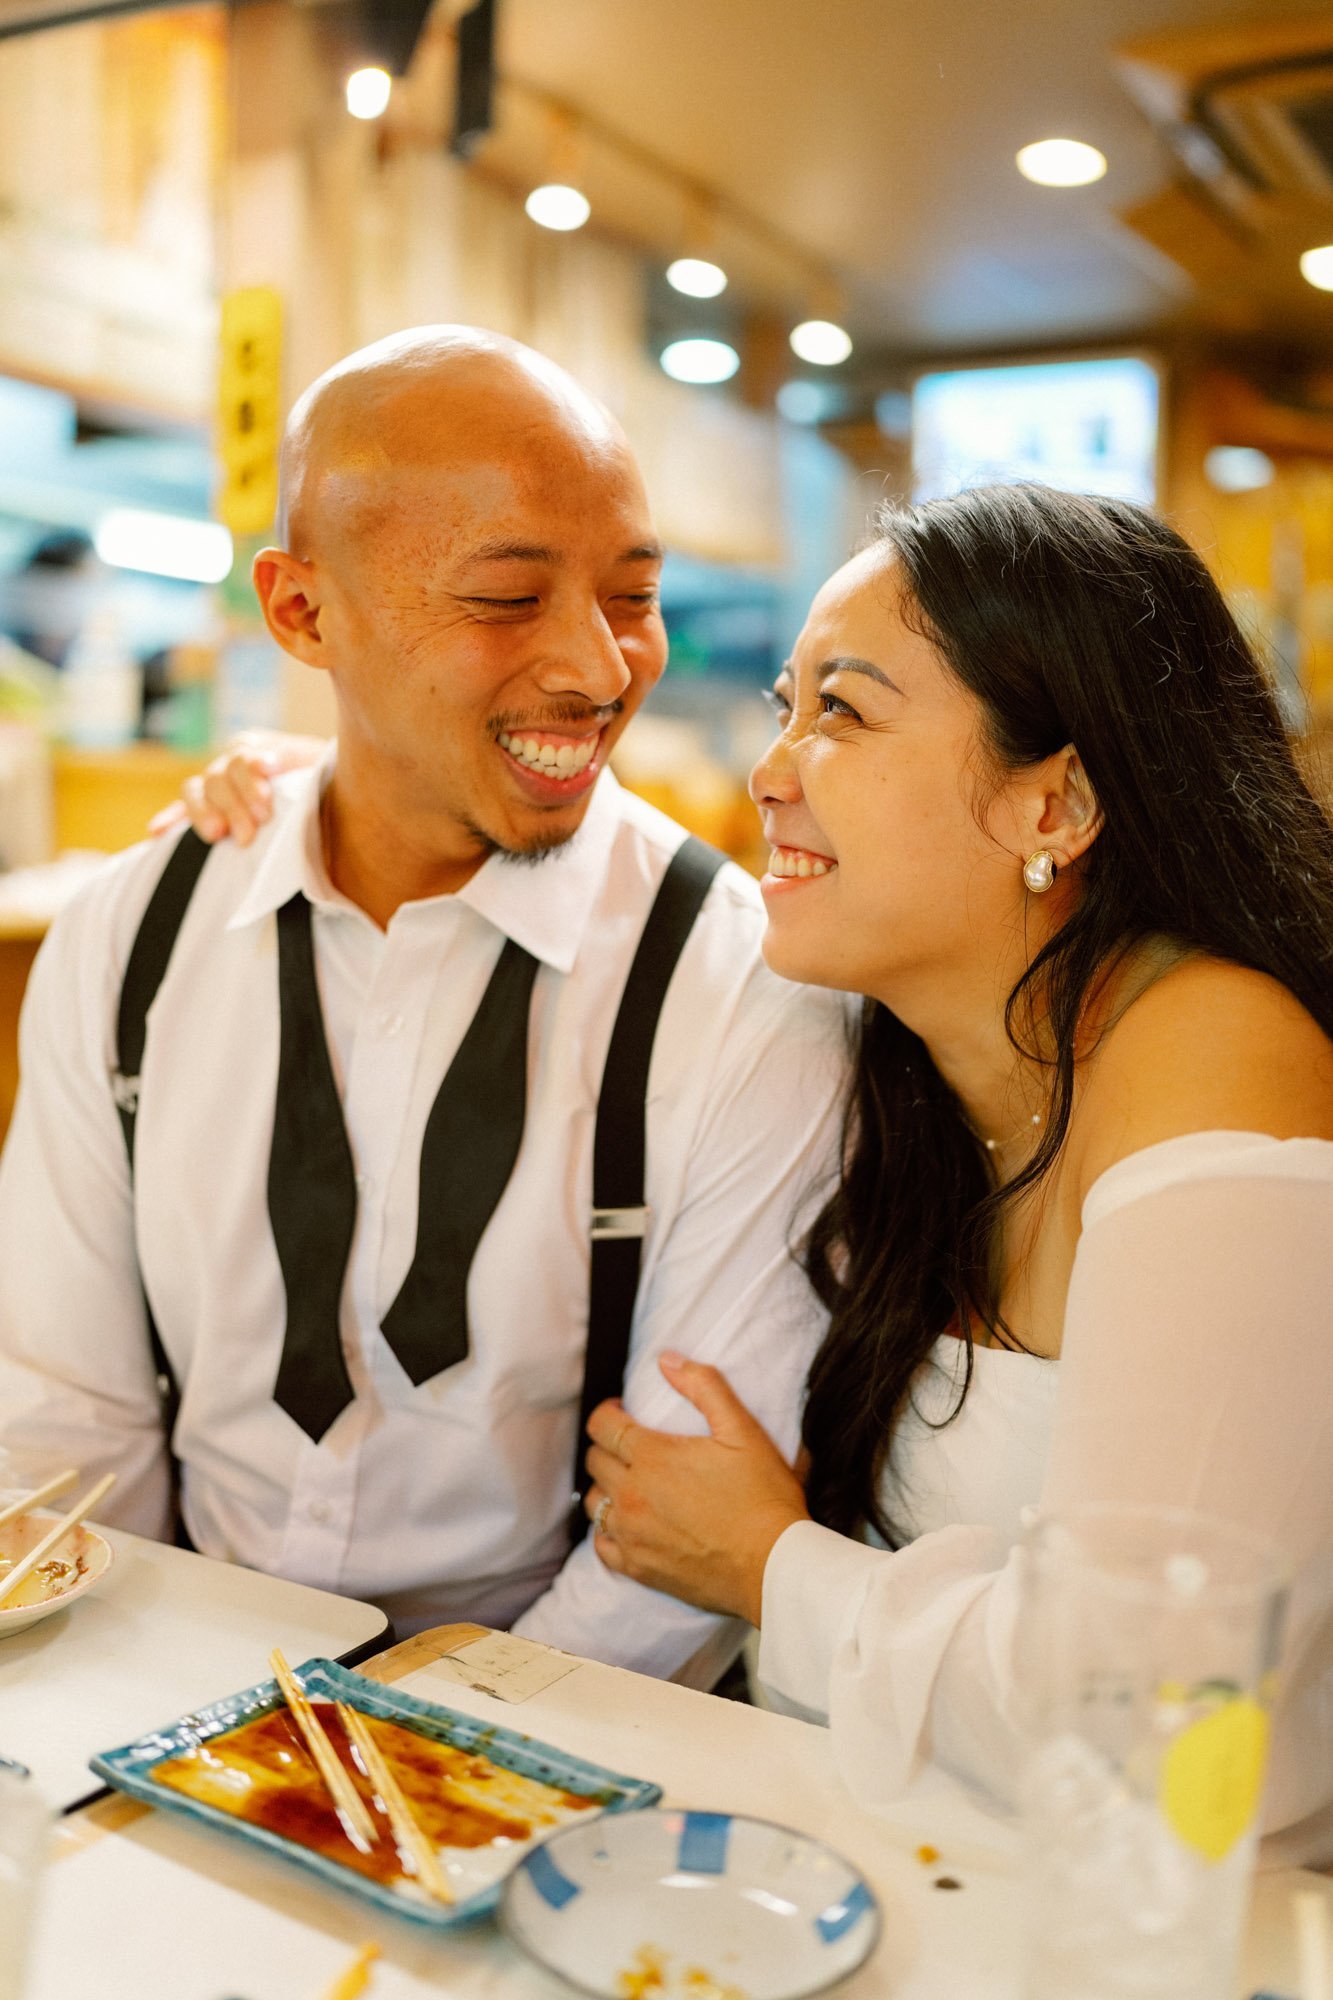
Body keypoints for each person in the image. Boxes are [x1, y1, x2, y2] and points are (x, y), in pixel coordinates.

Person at [0, 327, 848, 1685]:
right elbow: (65, 1413)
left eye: (630, 594)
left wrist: (441, 1748)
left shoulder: (738, 979)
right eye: (508, 598)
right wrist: (137, 1698)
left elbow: (687, 1515)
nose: (597, 665)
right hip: (165, 1671)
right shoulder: (132, 937)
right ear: (301, 613)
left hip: (560, 1716)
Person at [569, 485, 1331, 1858]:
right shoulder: (911, 1054)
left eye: (843, 714)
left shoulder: (1222, 1060)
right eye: (783, 707)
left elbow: (1155, 1702)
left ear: (1060, 798)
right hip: (896, 1872)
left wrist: (766, 1567)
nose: (772, 769)